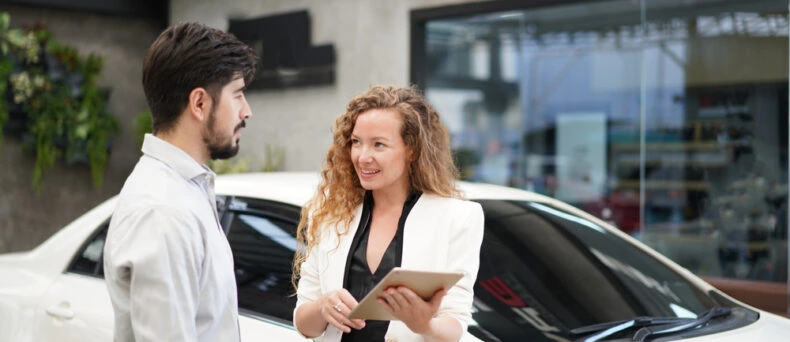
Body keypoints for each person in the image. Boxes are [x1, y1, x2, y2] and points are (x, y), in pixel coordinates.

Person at [292, 85, 485, 341]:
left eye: (379, 145)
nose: (362, 157)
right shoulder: (329, 214)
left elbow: (455, 323)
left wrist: (424, 325)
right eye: (356, 142)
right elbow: (305, 325)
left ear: (412, 151)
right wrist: (322, 307)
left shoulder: (458, 218)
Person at [103, 22, 256, 342]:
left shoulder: (183, 188)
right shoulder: (164, 210)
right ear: (199, 104)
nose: (247, 111)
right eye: (238, 94)